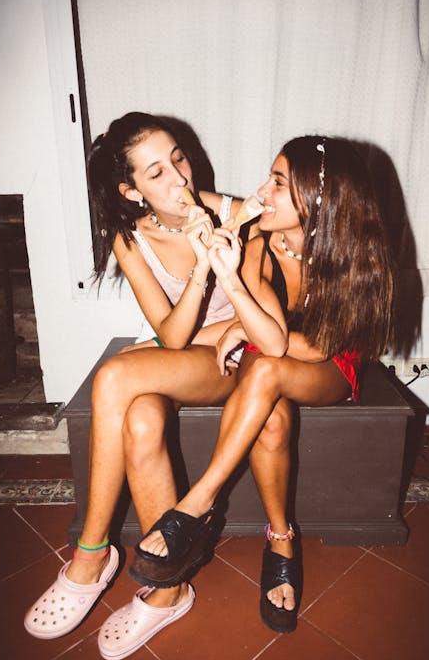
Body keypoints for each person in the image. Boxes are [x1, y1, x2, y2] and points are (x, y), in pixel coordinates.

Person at [24, 111, 293, 659]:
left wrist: (225, 320)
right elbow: (172, 334)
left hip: (239, 363)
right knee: (140, 414)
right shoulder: (129, 237)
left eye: (179, 159)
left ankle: (91, 554)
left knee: (117, 373)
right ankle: (169, 589)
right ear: (132, 191)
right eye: (156, 174)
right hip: (188, 356)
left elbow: (265, 312)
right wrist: (199, 267)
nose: (179, 180)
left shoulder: (235, 215)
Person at [131, 135, 394, 634]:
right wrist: (230, 286)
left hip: (331, 364)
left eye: (277, 183)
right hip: (275, 360)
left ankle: (197, 502)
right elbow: (270, 339)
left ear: (317, 199)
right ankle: (281, 539)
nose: (260, 192)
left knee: (266, 366)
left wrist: (240, 328)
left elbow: (316, 347)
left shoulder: (359, 253)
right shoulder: (258, 246)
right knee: (270, 404)